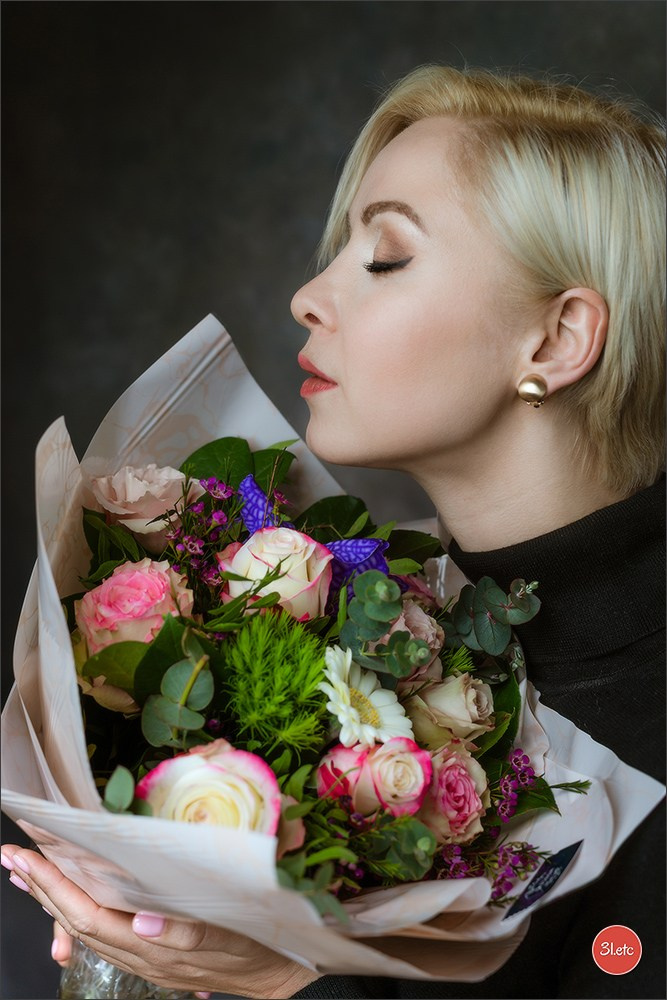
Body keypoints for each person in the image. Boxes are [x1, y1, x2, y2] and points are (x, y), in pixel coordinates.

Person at [2, 64, 665, 999]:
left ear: (554, 342)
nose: (307, 297)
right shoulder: (346, 606)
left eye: (384, 257)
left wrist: (282, 982)